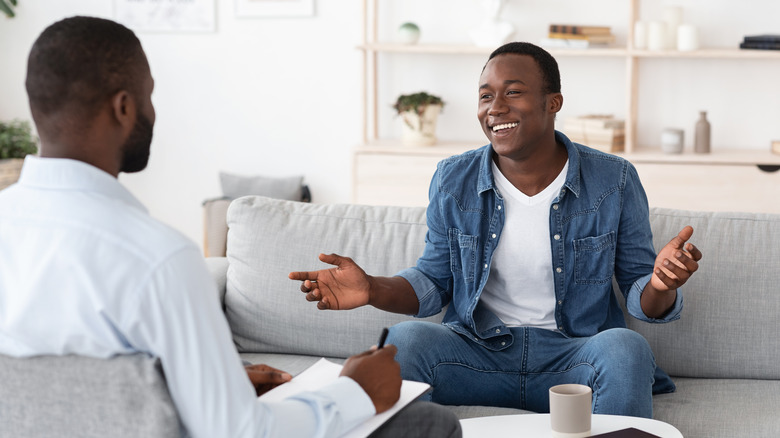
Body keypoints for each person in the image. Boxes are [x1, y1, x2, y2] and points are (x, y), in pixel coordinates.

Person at [0, 16, 461, 438]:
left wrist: (202, 382)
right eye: (149, 97)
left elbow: (70, 392)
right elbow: (241, 433)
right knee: (428, 424)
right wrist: (355, 391)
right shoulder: (158, 259)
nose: (153, 113)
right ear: (124, 107)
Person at [290, 41, 702, 418]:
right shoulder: (453, 179)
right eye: (486, 96)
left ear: (552, 102)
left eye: (513, 92)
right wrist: (372, 289)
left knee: (626, 347)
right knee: (406, 341)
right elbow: (434, 280)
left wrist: (661, 284)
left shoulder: (614, 180)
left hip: (572, 362)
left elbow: (640, 297)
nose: (495, 107)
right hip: (477, 357)